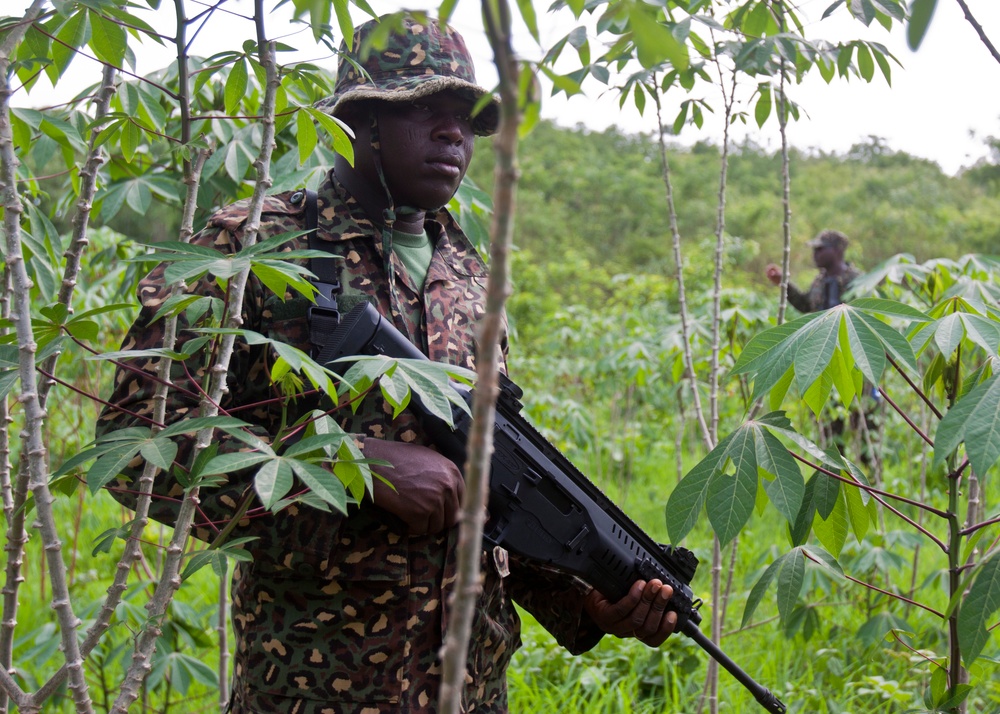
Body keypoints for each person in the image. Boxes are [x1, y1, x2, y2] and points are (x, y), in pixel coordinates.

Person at [98, 15, 677, 714]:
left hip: (469, 686)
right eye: (427, 111)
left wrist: (590, 598)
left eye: (465, 119)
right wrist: (349, 467)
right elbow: (135, 446)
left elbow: (492, 504)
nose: (454, 135)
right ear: (358, 122)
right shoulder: (259, 244)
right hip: (315, 687)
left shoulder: (468, 270)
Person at [765, 229, 860, 313]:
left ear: (837, 250)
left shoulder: (858, 281)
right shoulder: (820, 281)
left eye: (820, 249)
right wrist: (784, 282)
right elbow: (805, 305)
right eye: (814, 250)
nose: (815, 254)